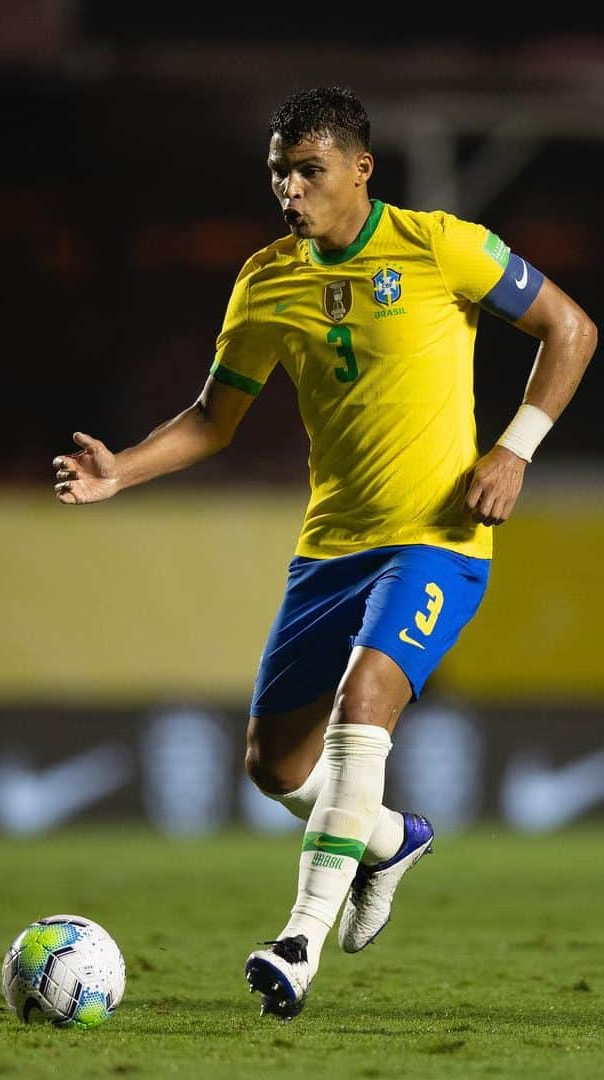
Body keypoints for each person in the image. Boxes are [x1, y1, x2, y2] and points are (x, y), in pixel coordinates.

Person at [52, 86, 596, 1020]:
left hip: (439, 538)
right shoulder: (267, 280)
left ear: (360, 169)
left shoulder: (441, 245)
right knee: (276, 767)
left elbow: (571, 329)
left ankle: (299, 942)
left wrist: (514, 449)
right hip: (329, 552)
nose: (291, 193)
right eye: (279, 175)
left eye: (308, 172)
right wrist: (121, 473)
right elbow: (215, 420)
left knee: (366, 700)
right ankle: (386, 839)